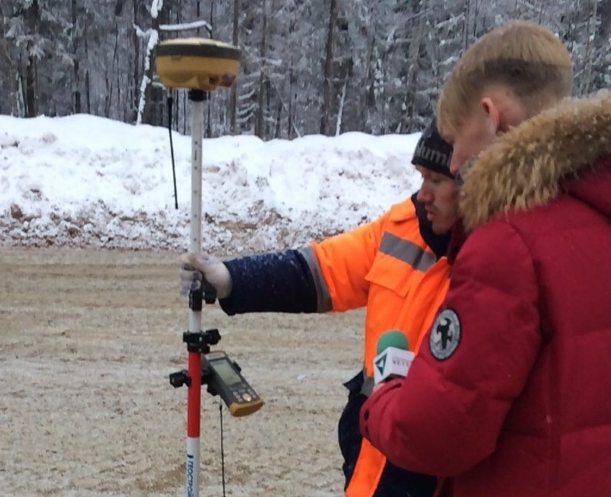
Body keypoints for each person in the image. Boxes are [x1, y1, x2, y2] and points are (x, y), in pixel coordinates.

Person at [359, 20, 611, 497]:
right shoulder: (597, 211)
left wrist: (383, 397)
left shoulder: (510, 244)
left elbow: (437, 432)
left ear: (492, 115)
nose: (452, 165)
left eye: (454, 143)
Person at [180, 120, 459, 497]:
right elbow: (317, 271)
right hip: (372, 466)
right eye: (420, 177)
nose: (421, 194)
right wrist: (231, 278)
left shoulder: (497, 262)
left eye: (436, 181)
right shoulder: (403, 226)